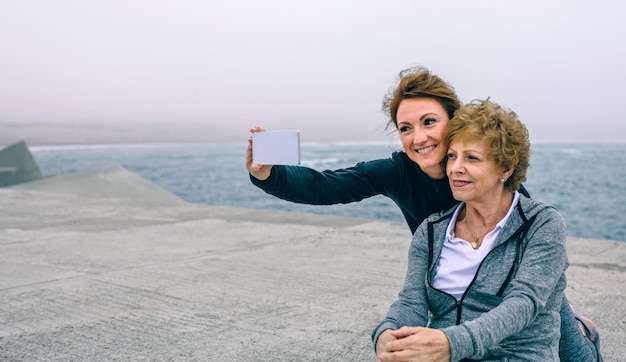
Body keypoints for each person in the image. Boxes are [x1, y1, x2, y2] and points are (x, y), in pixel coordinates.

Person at [246, 66, 601, 361]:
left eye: (429, 121)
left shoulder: (499, 186)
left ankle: (584, 331)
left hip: (509, 283)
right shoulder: (398, 175)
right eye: (405, 128)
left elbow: (528, 277)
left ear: (455, 121)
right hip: (452, 278)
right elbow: (328, 186)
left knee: (563, 336)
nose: (418, 138)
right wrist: (268, 174)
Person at [372, 99, 602, 361]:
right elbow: (412, 302)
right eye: (452, 156)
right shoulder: (431, 231)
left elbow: (524, 303)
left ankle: (583, 335)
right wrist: (386, 332)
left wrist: (451, 342)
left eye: (472, 157)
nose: (456, 167)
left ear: (506, 167)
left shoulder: (542, 224)